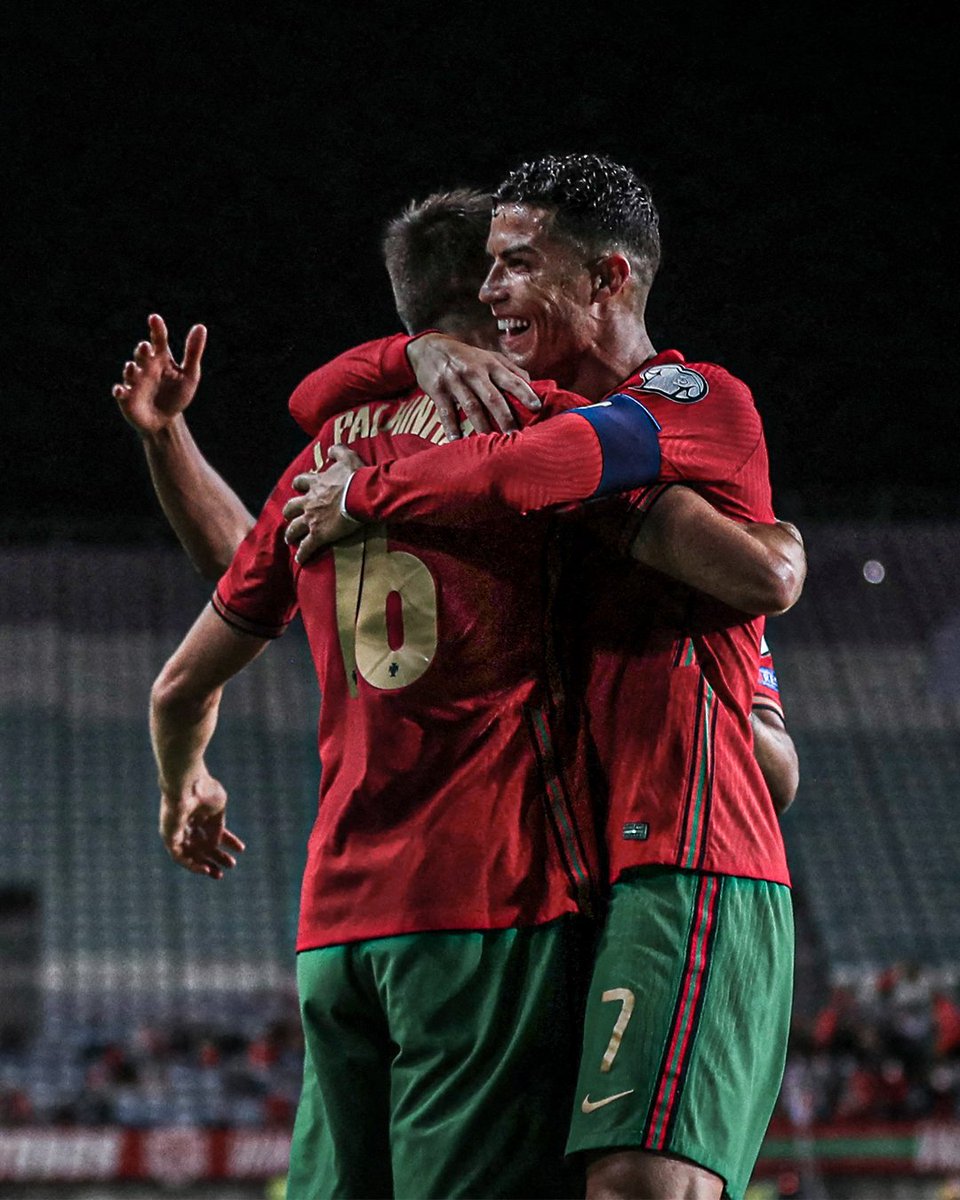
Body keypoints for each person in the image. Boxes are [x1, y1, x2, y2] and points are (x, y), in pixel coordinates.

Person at [117, 182, 803, 1199]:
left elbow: (248, 580)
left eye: (519, 266)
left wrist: (174, 440)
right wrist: (777, 556)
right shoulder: (533, 436)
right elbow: (754, 574)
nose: (503, 291)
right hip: (495, 900)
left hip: (339, 926)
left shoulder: (329, 454)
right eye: (496, 271)